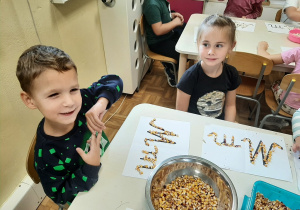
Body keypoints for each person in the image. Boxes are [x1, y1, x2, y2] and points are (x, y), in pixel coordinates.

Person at [16, 45, 123, 205]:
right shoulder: (46, 154)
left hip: (110, 170)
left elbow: (114, 80)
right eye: (54, 94)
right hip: (90, 198)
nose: (70, 102)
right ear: (30, 100)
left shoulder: (83, 101)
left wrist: (101, 103)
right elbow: (61, 196)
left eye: (73, 89)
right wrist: (91, 167)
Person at [176, 14, 241, 122]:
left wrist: (228, 127)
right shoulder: (189, 77)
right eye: (206, 44)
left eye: (218, 45)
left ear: (231, 47)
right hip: (194, 126)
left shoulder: (232, 74)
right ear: (198, 44)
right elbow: (180, 115)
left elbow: (230, 106)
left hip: (217, 127)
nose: (211, 52)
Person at [142, 0, 185, 87]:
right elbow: (158, 30)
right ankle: (171, 70)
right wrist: (175, 22)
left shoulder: (160, 1)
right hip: (158, 42)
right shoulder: (152, 5)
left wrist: (171, 16)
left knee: (186, 35)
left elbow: (161, 16)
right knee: (183, 52)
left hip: (168, 35)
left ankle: (175, 67)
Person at [257, 41, 300, 115]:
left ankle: (276, 119)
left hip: (288, 105)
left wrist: (261, 47)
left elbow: (267, 59)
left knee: (277, 82)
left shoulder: (297, 51)